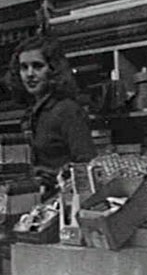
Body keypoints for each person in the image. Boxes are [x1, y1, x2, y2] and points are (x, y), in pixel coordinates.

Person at [9, 36, 96, 187]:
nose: (30, 74)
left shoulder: (67, 110)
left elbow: (87, 165)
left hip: (63, 200)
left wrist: (54, 175)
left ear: (54, 70)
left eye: (37, 66)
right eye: (24, 67)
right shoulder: (31, 113)